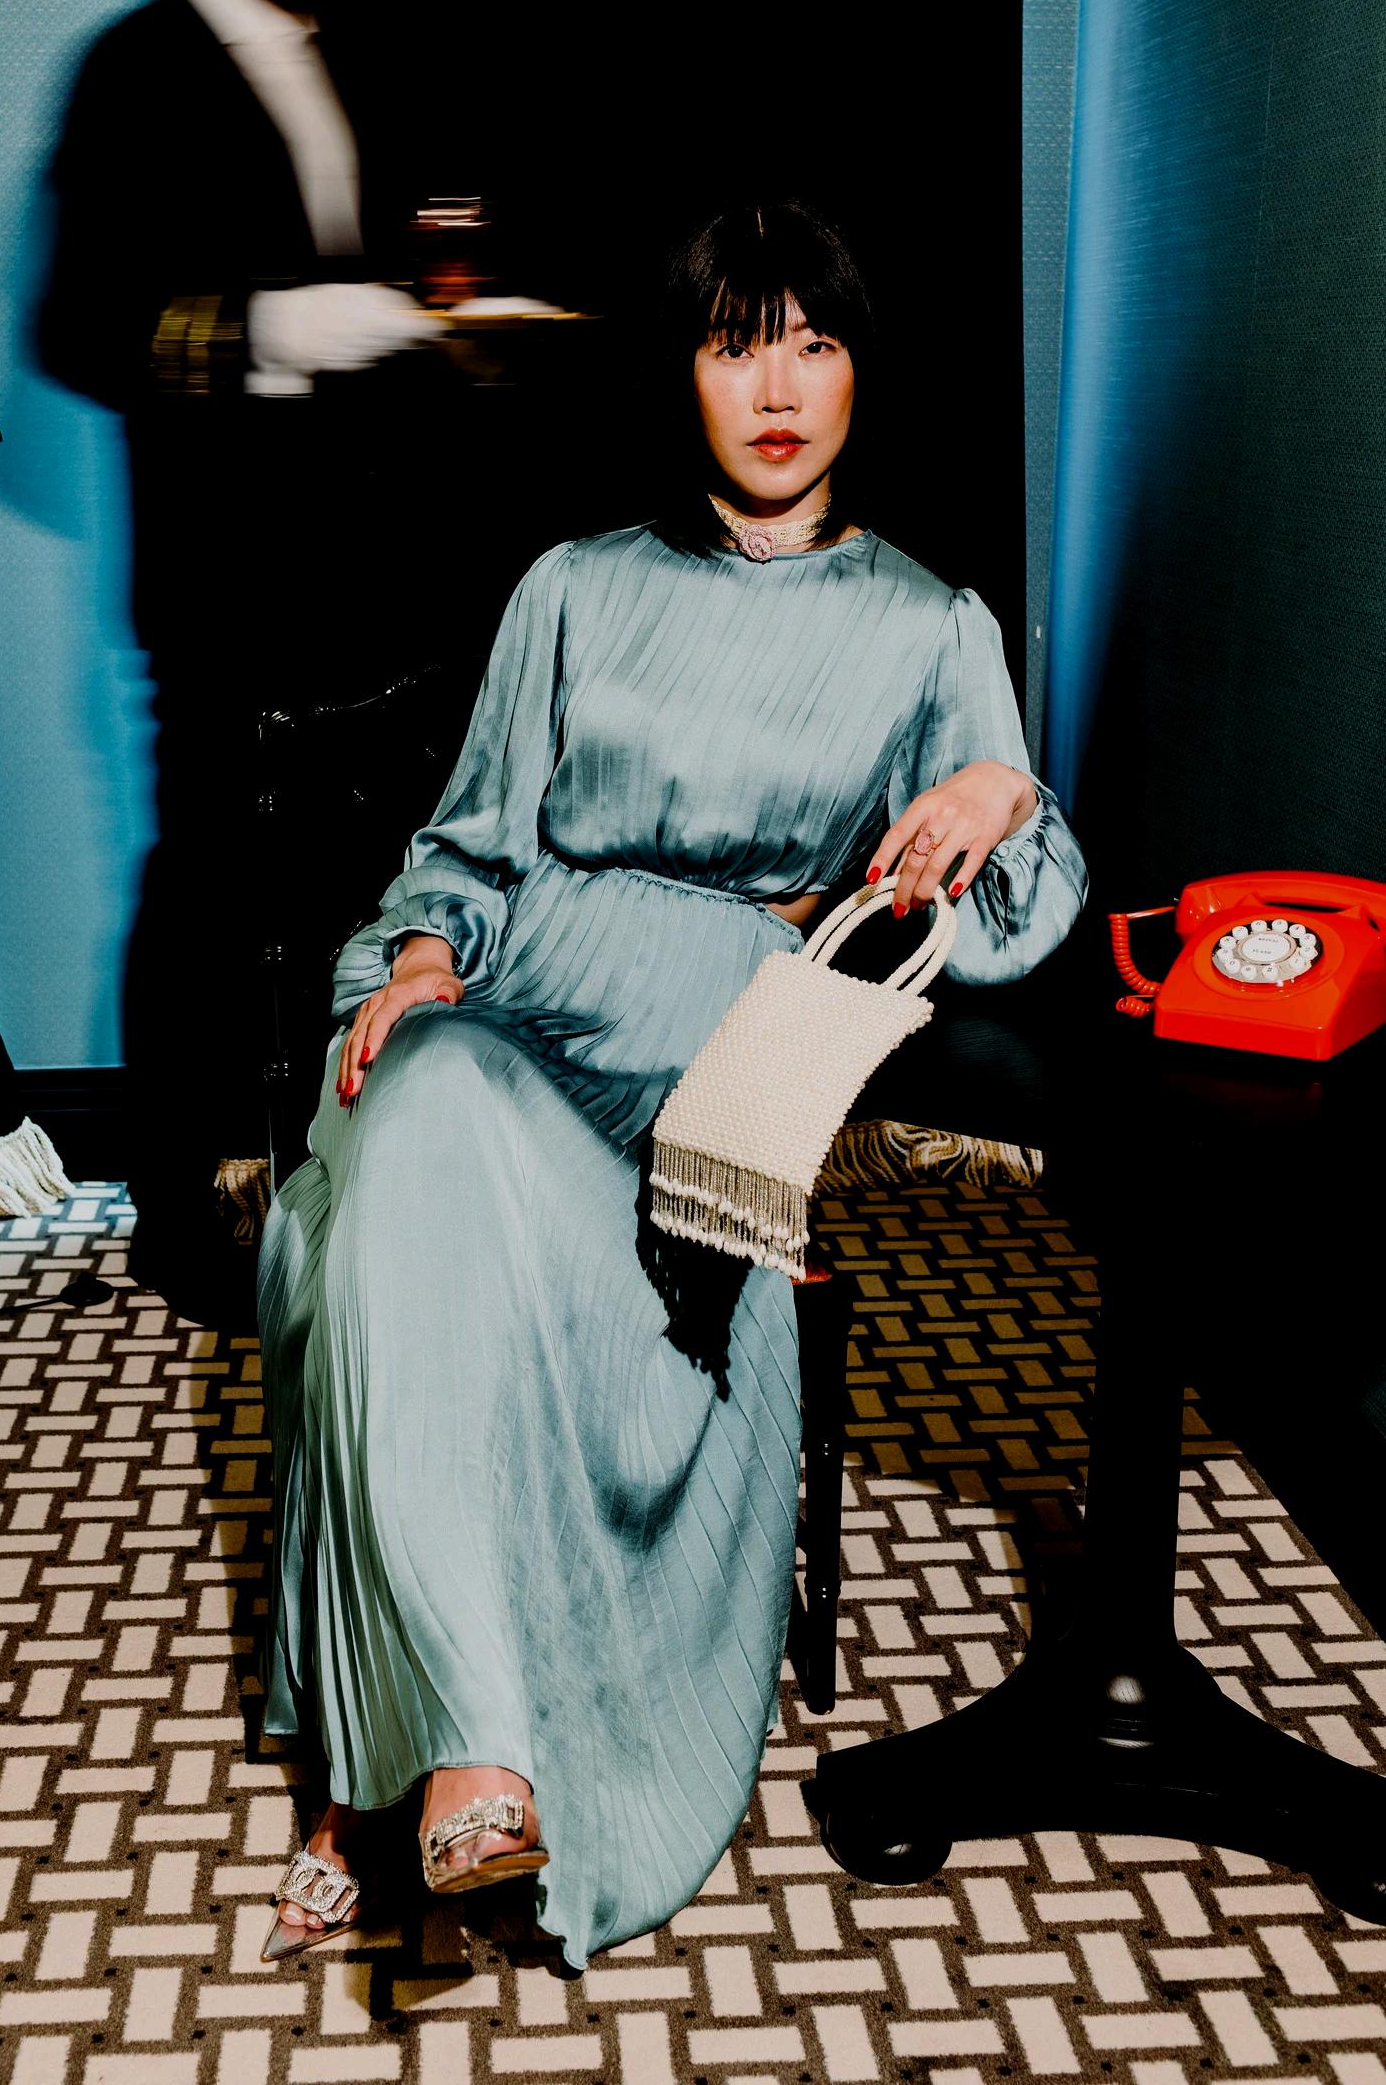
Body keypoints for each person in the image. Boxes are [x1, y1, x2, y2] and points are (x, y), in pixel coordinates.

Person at [255, 200, 1088, 1968]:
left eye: (813, 345)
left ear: (860, 373)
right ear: (682, 377)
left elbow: (1015, 918)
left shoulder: (931, 625)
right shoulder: (573, 585)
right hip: (514, 1011)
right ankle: (470, 1749)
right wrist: (423, 954)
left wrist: (1005, 792)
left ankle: (373, 1767)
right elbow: (467, 851)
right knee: (413, 1122)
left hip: (709, 1087)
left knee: (386, 1223)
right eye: (734, 347)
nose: (776, 391)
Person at [36, 0, 448, 1315]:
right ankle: (172, 1209)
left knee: (364, 894)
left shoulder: (356, 56)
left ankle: (341, 1182)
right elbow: (74, 328)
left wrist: (441, 325)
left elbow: (403, 288)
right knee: (207, 894)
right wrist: (279, 328)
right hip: (216, 586)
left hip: (372, 584)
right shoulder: (130, 70)